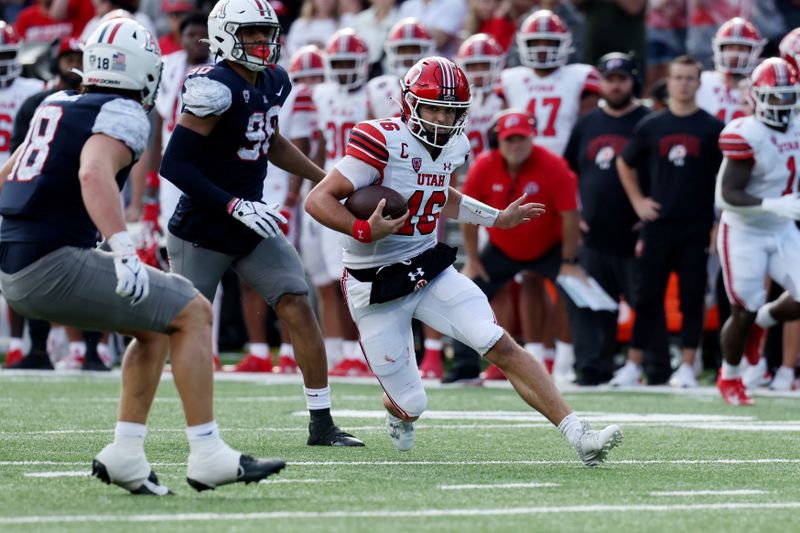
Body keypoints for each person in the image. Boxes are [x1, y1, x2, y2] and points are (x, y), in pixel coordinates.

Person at [0, 17, 285, 495]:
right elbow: (93, 173)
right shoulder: (123, 111)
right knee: (193, 310)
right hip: (51, 262)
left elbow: (10, 172)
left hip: (17, 260)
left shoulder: (55, 101)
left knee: (155, 327)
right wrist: (124, 248)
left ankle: (126, 454)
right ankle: (208, 453)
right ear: (143, 70)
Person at [305, 56, 622, 464]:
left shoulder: (455, 144)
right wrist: (365, 229)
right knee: (411, 404)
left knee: (499, 343)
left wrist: (497, 217)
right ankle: (398, 408)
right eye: (433, 108)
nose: (441, 119)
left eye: (450, 111)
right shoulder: (380, 139)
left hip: (426, 266)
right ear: (409, 104)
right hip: (374, 282)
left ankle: (580, 435)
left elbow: (440, 193)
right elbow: (319, 199)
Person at [159, 0, 363, 447]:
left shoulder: (274, 80)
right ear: (226, 34)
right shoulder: (213, 86)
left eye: (266, 33)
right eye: (251, 33)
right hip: (202, 227)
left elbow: (266, 138)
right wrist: (232, 204)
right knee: (182, 325)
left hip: (250, 221)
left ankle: (321, 422)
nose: (262, 42)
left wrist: (325, 179)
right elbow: (174, 164)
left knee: (297, 302)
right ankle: (172, 427)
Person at [615, 55, 724, 387]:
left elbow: (726, 177)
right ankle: (634, 365)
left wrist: (718, 222)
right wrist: (637, 201)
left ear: (699, 83)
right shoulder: (652, 125)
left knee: (693, 297)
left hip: (696, 225)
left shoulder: (712, 128)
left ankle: (689, 366)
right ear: (669, 82)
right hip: (658, 224)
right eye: (678, 77)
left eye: (690, 78)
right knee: (647, 296)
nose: (683, 84)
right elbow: (624, 162)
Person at [563, 52, 657, 385]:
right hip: (593, 234)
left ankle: (657, 368)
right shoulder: (587, 123)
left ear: (633, 80)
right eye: (609, 79)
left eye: (621, 79)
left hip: (636, 235)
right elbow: (567, 174)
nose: (615, 86)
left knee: (646, 302)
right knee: (591, 307)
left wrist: (649, 213)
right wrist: (575, 218)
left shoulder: (649, 121)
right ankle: (592, 368)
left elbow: (662, 175)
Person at [714, 57, 800, 405]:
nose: (782, 104)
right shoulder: (745, 133)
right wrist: (771, 204)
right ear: (757, 96)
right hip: (745, 229)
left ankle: (763, 322)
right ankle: (730, 377)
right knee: (742, 309)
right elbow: (728, 195)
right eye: (775, 96)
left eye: (788, 96)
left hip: (781, 227)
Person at [5, 36, 85, 371]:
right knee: (18, 265)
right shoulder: (39, 99)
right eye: (67, 58)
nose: (73, 65)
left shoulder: (41, 95)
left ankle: (87, 348)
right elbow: (21, 150)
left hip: (70, 186)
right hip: (25, 185)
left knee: (78, 265)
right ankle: (28, 346)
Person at [307, 28, 372, 377]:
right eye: (340, 62)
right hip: (333, 185)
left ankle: (361, 351)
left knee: (359, 276)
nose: (345, 69)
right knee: (335, 277)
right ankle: (345, 351)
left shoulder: (377, 93)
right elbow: (316, 141)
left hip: (361, 186)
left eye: (351, 62)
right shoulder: (320, 94)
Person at [366, 18, 435, 121]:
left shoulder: (437, 88)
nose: (408, 56)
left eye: (414, 49)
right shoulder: (377, 88)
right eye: (402, 50)